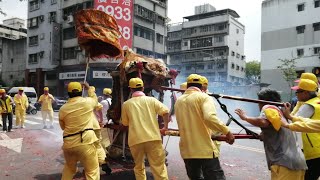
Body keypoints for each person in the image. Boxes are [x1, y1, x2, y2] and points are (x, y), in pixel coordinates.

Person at [235, 89, 307, 180]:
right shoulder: (282, 111)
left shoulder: (268, 107)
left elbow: (263, 122)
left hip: (284, 164)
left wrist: (245, 117)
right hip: (297, 162)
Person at [174, 74, 234, 180]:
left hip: (187, 150)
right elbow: (210, 117)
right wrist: (227, 131)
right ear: (202, 87)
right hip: (204, 149)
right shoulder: (204, 97)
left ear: (187, 85)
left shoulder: (179, 101)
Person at [121, 77, 169, 180]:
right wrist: (165, 127)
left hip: (135, 140)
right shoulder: (151, 100)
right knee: (159, 167)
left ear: (130, 89)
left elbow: (125, 123)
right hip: (153, 138)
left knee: (139, 167)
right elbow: (165, 112)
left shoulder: (126, 104)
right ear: (143, 88)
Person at [59, 82, 100, 180]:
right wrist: (89, 88)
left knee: (69, 169)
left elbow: (63, 127)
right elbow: (95, 99)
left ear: (68, 93)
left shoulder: (62, 109)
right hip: (86, 142)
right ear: (81, 91)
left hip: (68, 144)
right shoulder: (87, 102)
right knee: (92, 171)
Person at [288, 79, 320, 180]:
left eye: (298, 92)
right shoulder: (316, 102)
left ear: (306, 92)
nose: (296, 94)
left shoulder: (308, 106)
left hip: (311, 150)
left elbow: (293, 122)